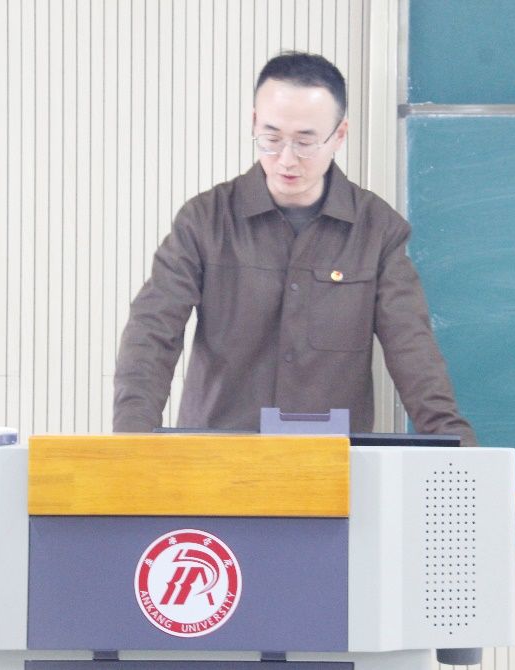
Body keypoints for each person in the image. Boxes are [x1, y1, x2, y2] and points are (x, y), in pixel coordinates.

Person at [113, 51, 476, 445]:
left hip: (329, 463)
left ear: (339, 135)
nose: (286, 159)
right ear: (254, 122)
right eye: (271, 139)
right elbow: (153, 332)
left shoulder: (377, 230)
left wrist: (460, 453)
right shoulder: (204, 221)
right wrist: (131, 445)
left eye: (305, 142)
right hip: (217, 457)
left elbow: (413, 351)